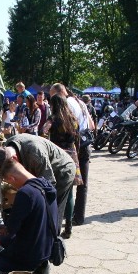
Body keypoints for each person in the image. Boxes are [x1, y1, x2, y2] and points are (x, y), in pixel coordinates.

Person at [0, 152, 58, 274]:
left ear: (11, 178)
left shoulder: (25, 193)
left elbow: (10, 230)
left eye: (10, 183)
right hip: (47, 248)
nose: (12, 186)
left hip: (31, 256)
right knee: (5, 240)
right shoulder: (45, 184)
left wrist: (3, 230)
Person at [0, 134, 76, 231]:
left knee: (53, 209)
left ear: (14, 159)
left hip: (62, 170)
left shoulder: (35, 153)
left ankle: (54, 239)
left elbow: (49, 185)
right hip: (45, 166)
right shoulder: (7, 147)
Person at [50, 84, 94, 226]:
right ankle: (78, 217)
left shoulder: (64, 105)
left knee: (65, 187)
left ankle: (64, 217)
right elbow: (91, 125)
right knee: (82, 184)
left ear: (59, 93)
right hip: (82, 146)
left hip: (69, 149)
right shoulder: (80, 102)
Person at [46, 94, 81, 238]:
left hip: (57, 157)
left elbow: (43, 130)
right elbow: (77, 139)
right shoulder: (73, 119)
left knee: (57, 193)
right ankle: (69, 227)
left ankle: (55, 226)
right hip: (72, 156)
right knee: (70, 194)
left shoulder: (53, 119)